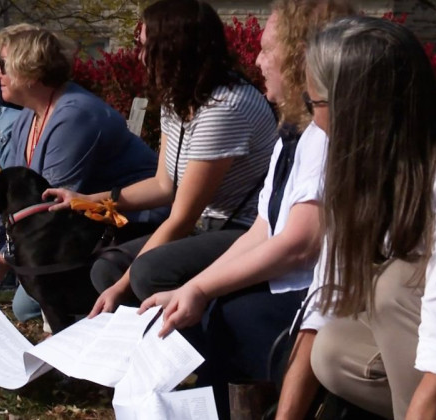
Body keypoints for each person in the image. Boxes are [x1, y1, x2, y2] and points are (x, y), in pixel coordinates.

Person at [275, 16, 436, 420]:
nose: (311, 119)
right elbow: (326, 298)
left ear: (356, 109)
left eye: (313, 103)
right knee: (332, 350)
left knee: (395, 287)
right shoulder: (360, 166)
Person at [134, 1, 354, 418]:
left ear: (300, 58)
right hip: (291, 280)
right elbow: (264, 227)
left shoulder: (326, 136)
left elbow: (299, 245)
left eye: (268, 50)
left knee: (226, 317)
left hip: (326, 296)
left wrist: (200, 289)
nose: (256, 60)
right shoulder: (294, 129)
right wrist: (195, 288)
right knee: (204, 306)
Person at [45, 0, 277, 317]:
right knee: (106, 268)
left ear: (172, 49)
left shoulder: (225, 108)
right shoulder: (178, 97)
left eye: (143, 47)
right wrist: (87, 201)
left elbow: (181, 218)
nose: (138, 56)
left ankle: (190, 351)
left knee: (147, 273)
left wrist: (121, 287)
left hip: (245, 229)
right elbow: (163, 185)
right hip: (205, 224)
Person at [0, 24, 162, 320]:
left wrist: (4, 257)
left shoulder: (74, 115)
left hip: (138, 224)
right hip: (92, 228)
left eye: (2, 65)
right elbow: (14, 200)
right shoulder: (27, 118)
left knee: (34, 297)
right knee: (28, 301)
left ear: (27, 66)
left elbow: (48, 208)